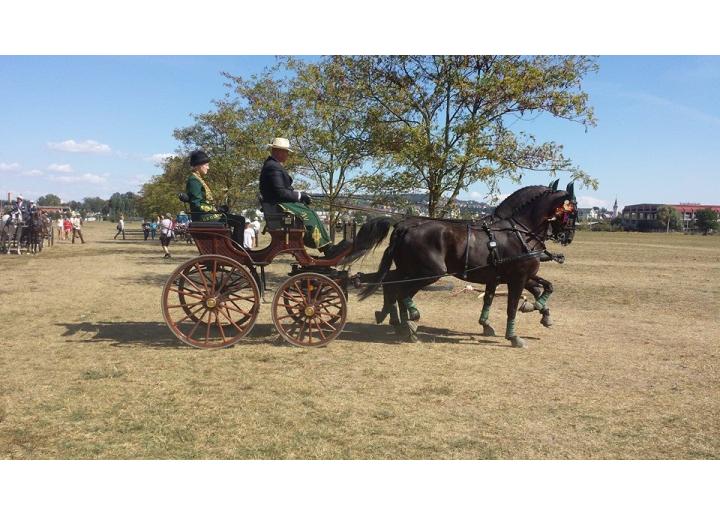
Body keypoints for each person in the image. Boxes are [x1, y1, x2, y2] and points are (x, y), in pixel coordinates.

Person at [259, 137, 350, 258]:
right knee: (310, 216)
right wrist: (300, 195)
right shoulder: (273, 167)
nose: (287, 155)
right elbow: (280, 192)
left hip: (277, 203)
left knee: (311, 213)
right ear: (278, 151)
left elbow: (282, 190)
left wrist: (301, 195)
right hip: (277, 205)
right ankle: (326, 248)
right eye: (286, 152)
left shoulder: (273, 165)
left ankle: (326, 246)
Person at [185, 150, 245, 245]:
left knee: (237, 219)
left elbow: (205, 201)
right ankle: (238, 248)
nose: (208, 168)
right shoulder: (193, 180)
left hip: (208, 215)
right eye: (207, 165)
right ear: (199, 165)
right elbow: (197, 203)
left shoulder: (198, 179)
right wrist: (215, 210)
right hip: (204, 218)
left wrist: (218, 208)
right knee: (240, 220)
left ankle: (234, 246)